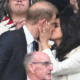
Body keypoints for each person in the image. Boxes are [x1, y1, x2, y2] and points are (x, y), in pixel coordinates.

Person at [0, 1, 58, 80]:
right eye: (53, 24)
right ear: (43, 23)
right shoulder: (10, 39)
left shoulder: (39, 44)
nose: (53, 28)